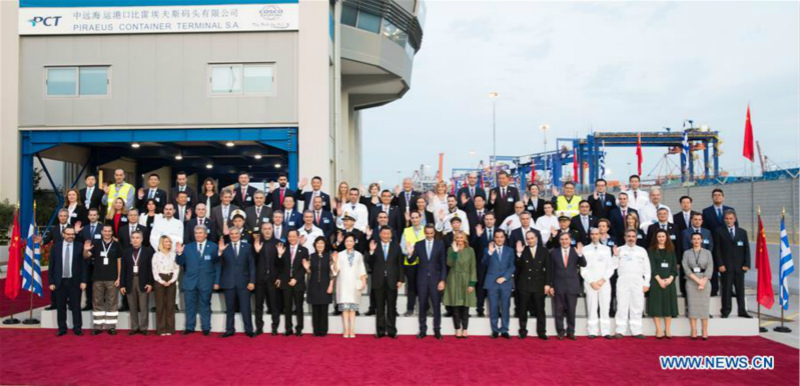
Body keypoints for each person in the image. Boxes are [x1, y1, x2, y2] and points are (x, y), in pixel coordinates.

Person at [176, 225, 220, 336]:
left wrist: (217, 281)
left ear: (206, 234)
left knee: (205, 305)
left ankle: (206, 328)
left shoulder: (214, 247)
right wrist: (179, 253)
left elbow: (218, 265)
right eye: (196, 233)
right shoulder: (187, 247)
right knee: (189, 305)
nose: (198, 235)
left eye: (200, 233)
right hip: (190, 282)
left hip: (206, 281)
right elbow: (180, 262)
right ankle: (189, 327)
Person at [408, 224, 446, 339]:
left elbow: (443, 264)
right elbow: (411, 261)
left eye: (431, 233)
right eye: (427, 233)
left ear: (434, 233)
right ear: (424, 233)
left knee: (436, 306)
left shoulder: (440, 244)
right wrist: (410, 253)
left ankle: (437, 330)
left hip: (436, 280)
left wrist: (442, 280)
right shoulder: (419, 244)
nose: (429, 235)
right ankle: (423, 330)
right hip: (422, 279)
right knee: (422, 305)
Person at [217, 227, 256, 338]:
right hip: (228, 282)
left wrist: (252, 281)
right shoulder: (225, 247)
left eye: (236, 233)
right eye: (231, 234)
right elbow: (218, 264)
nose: (234, 236)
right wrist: (220, 251)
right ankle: (229, 330)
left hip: (244, 283)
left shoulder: (247, 247)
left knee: (246, 308)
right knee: (229, 308)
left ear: (240, 234)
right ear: (229, 235)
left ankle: (249, 329)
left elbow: (251, 266)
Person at [83, 225, 121, 335]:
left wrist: (118, 277)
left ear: (112, 232)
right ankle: (98, 326)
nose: (107, 233)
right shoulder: (96, 244)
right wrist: (85, 250)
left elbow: (119, 261)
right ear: (102, 232)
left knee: (112, 303)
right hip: (98, 278)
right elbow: (87, 256)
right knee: (97, 302)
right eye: (105, 231)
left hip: (112, 279)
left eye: (109, 231)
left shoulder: (117, 245)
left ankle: (111, 326)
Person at [49, 226, 87, 336]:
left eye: (72, 234)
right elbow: (52, 265)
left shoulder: (79, 246)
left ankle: (77, 327)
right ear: (63, 234)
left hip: (75, 282)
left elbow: (83, 265)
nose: (71, 236)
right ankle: (62, 328)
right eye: (68, 234)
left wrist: (83, 281)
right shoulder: (56, 247)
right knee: (60, 307)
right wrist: (51, 282)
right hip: (59, 282)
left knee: (76, 306)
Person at [713, 210, 751, 318]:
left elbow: (746, 249)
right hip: (726, 267)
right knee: (726, 290)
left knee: (740, 290)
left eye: (731, 218)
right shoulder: (719, 231)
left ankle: (742, 311)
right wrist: (720, 264)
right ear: (724, 219)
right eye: (727, 219)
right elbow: (717, 250)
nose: (729, 221)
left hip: (739, 267)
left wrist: (747, 263)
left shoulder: (742, 232)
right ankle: (726, 311)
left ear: (735, 219)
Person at [368, 227, 405, 338]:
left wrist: (401, 279)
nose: (386, 235)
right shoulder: (374, 245)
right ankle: (380, 331)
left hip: (392, 280)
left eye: (388, 233)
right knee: (379, 307)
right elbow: (370, 263)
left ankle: (391, 330)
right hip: (378, 280)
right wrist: (371, 252)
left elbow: (400, 264)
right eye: (384, 233)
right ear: (380, 234)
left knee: (391, 307)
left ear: (391, 235)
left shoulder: (396, 247)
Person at [514, 230, 551, 340]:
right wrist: (519, 254)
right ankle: (523, 330)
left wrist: (548, 284)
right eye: (528, 239)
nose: (530, 240)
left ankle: (542, 331)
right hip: (524, 284)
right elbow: (518, 268)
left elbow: (549, 269)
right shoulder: (522, 250)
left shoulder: (544, 251)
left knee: (540, 309)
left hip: (539, 284)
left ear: (536, 238)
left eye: (532, 238)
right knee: (523, 309)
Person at [614, 229, 651, 339]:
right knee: (621, 306)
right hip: (623, 281)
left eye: (633, 236)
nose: (631, 238)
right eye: (628, 236)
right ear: (625, 237)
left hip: (638, 281)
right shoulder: (619, 250)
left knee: (637, 306)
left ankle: (637, 331)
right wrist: (615, 256)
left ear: (636, 237)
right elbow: (613, 266)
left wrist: (646, 283)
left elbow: (647, 269)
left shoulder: (642, 250)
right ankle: (620, 330)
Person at [549, 232, 587, 340]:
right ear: (559, 241)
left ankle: (571, 331)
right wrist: (551, 285)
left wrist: (580, 254)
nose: (564, 241)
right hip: (558, 285)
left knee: (571, 310)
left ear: (570, 240)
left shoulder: (576, 251)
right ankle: (560, 331)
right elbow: (550, 271)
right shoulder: (553, 253)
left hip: (572, 286)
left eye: (566, 239)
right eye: (562, 239)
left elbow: (584, 264)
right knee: (558, 310)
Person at [581, 228, 615, 339]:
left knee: (605, 307)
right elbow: (583, 269)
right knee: (592, 307)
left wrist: (602, 280)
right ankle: (592, 331)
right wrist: (591, 282)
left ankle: (605, 331)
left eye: (597, 234)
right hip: (590, 283)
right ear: (590, 235)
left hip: (604, 283)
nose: (595, 236)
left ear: (600, 235)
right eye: (592, 234)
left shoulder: (606, 249)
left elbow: (610, 268)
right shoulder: (585, 249)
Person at [702, 188, 736, 296]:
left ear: (723, 197)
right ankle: (714, 290)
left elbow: (735, 226)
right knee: (714, 268)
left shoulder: (730, 209)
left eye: (719, 195)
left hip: (727, 244)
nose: (717, 197)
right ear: (712, 197)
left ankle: (729, 290)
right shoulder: (706, 211)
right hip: (713, 243)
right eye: (715, 195)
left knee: (728, 268)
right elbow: (705, 229)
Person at [120, 230, 154, 335]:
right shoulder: (126, 252)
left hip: (143, 280)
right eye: (133, 237)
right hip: (130, 281)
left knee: (143, 306)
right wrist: (122, 284)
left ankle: (144, 328)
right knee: (132, 306)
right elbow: (123, 270)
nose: (135, 240)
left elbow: (151, 268)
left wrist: (150, 283)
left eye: (137, 237)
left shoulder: (148, 251)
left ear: (142, 239)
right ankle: (134, 327)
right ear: (130, 240)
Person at [444, 231, 476, 339]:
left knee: (465, 306)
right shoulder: (450, 249)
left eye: (461, 237)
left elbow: (473, 267)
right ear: (454, 239)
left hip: (466, 278)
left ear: (465, 238)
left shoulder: (471, 250)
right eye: (457, 237)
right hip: (453, 278)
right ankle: (458, 329)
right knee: (456, 305)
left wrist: (472, 283)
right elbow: (449, 264)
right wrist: (455, 252)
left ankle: (465, 329)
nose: (459, 239)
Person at [334, 234, 368, 338]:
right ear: (344, 243)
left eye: (351, 241)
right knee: (345, 310)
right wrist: (335, 261)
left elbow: (361, 269)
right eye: (347, 241)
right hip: (343, 284)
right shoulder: (340, 254)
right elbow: (336, 270)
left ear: (354, 242)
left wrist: (363, 281)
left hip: (354, 284)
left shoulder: (358, 255)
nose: (349, 243)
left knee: (352, 310)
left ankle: (352, 330)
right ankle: (346, 330)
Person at [647, 229, 679, 338]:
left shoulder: (671, 250)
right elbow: (651, 267)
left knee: (668, 305)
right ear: (656, 238)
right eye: (659, 236)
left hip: (669, 281)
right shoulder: (651, 250)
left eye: (663, 236)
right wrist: (659, 280)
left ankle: (668, 330)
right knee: (657, 305)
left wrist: (670, 279)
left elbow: (674, 267)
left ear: (666, 238)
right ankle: (659, 330)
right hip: (656, 281)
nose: (661, 238)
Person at [483, 229, 514, 339]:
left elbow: (512, 266)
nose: (499, 239)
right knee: (493, 307)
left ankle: (505, 329)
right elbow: (483, 263)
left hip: (505, 283)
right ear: (494, 238)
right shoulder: (488, 249)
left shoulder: (510, 250)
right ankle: (495, 330)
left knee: (505, 306)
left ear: (504, 238)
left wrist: (505, 277)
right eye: (497, 237)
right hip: (492, 283)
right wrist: (490, 253)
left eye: (501, 237)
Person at [277, 230, 309, 336]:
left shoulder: (304, 250)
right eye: (289, 236)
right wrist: (280, 255)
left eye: (294, 236)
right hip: (286, 282)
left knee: (299, 307)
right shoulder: (283, 249)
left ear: (298, 237)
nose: (292, 238)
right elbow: (279, 267)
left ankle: (299, 328)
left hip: (298, 282)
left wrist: (296, 279)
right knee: (287, 307)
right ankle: (288, 328)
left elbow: (304, 268)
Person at [252, 223, 282, 335]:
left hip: (273, 279)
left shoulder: (279, 243)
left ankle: (275, 328)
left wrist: (279, 255)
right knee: (258, 305)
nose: (267, 231)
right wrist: (257, 252)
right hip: (259, 279)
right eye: (265, 229)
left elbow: (283, 264)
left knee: (274, 305)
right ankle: (259, 328)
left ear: (273, 229)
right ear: (261, 230)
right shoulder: (256, 243)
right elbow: (252, 263)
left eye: (269, 228)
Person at [683, 232, 714, 340]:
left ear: (701, 240)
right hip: (691, 281)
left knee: (704, 307)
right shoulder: (686, 253)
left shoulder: (707, 253)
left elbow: (710, 267)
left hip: (704, 280)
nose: (696, 241)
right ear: (691, 241)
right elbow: (685, 267)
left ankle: (704, 330)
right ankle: (694, 330)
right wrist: (697, 280)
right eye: (694, 239)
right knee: (692, 306)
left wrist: (703, 281)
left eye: (698, 239)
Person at [40, 209, 71, 311]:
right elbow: (46, 240)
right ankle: (54, 303)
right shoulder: (55, 229)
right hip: (57, 258)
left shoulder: (72, 228)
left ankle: (70, 303)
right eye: (61, 216)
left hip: (69, 258)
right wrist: (40, 241)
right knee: (55, 280)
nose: (62, 217)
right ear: (58, 217)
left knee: (70, 281)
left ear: (67, 217)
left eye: (64, 216)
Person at [150, 235, 180, 336]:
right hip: (159, 280)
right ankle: (161, 329)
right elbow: (154, 270)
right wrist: (161, 281)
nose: (168, 243)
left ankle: (170, 329)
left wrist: (171, 280)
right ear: (161, 243)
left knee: (170, 305)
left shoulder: (174, 255)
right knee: (160, 305)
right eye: (166, 242)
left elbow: (176, 269)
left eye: (170, 242)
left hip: (171, 279)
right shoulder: (156, 255)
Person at [400, 211, 426, 318]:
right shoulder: (406, 230)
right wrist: (409, 252)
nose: (415, 219)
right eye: (412, 218)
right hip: (410, 263)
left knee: (423, 287)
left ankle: (424, 309)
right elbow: (402, 247)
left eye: (416, 217)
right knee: (411, 287)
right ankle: (410, 309)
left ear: (420, 218)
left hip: (423, 263)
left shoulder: (426, 230)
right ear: (410, 219)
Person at [307, 237, 334, 336]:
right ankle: (316, 331)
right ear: (315, 245)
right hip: (313, 285)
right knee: (315, 309)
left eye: (322, 243)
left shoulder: (329, 256)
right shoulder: (311, 256)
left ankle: (323, 331)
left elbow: (332, 273)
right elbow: (310, 273)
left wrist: (331, 285)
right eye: (318, 243)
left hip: (325, 285)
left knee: (324, 309)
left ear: (325, 245)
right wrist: (307, 268)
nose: (320, 245)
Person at [77, 208, 103, 310]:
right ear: (88, 216)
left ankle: (100, 303)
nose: (92, 216)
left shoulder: (103, 228)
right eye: (91, 215)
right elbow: (79, 243)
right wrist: (76, 232)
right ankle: (89, 304)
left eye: (94, 215)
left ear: (98, 216)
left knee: (99, 283)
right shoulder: (84, 229)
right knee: (87, 282)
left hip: (99, 260)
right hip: (86, 259)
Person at [471, 212, 496, 317]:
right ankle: (480, 309)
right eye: (487, 219)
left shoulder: (500, 232)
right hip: (481, 264)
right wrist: (477, 236)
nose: (489, 221)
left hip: (495, 265)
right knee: (480, 286)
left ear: (494, 220)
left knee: (494, 287)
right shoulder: (479, 231)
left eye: (491, 219)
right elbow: (472, 246)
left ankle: (495, 310)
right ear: (484, 220)